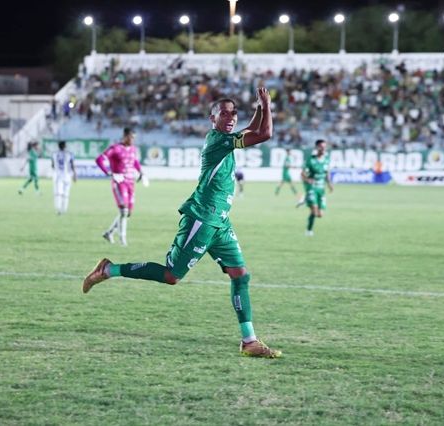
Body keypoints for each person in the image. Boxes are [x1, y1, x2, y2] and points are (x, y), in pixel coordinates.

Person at [82, 88, 281, 358]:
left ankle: (249, 341)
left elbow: (251, 130)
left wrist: (258, 109)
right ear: (212, 119)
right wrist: (267, 105)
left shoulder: (226, 139)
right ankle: (108, 269)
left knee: (240, 274)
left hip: (220, 222)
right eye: (224, 113)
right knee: (171, 276)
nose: (231, 117)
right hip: (201, 218)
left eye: (234, 113)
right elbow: (264, 134)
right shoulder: (217, 141)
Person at [95, 128, 146, 246]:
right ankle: (123, 240)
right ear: (125, 136)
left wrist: (141, 172)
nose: (132, 140)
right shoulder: (115, 148)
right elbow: (99, 159)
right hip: (119, 182)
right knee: (124, 210)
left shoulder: (133, 149)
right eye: (131, 137)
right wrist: (108, 172)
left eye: (134, 138)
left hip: (131, 183)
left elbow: (134, 161)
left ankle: (109, 233)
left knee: (128, 213)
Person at [300, 139, 333, 236]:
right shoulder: (311, 159)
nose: (323, 149)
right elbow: (302, 174)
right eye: (321, 147)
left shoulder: (327, 159)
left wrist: (329, 184)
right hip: (312, 188)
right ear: (317, 147)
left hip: (321, 189)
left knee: (320, 215)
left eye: (325, 147)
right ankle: (309, 231)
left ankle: (305, 199)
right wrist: (307, 180)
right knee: (314, 210)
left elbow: (327, 173)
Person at [51, 140, 77, 215]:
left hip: (58, 175)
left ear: (58, 146)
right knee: (66, 193)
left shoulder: (54, 154)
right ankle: (64, 209)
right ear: (65, 146)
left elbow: (52, 165)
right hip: (67, 175)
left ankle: (58, 209)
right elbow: (72, 164)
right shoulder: (70, 154)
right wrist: (75, 174)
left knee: (58, 193)